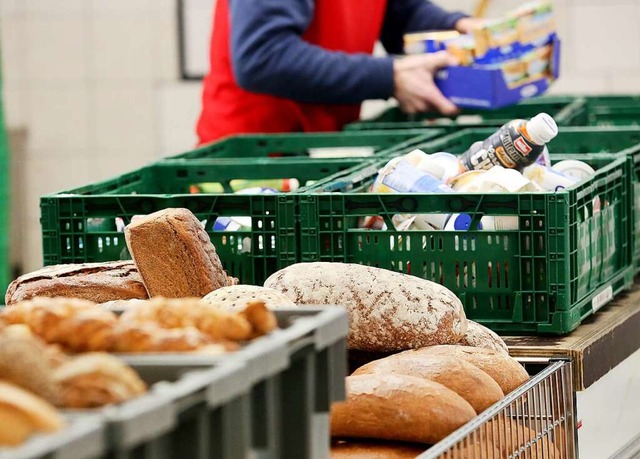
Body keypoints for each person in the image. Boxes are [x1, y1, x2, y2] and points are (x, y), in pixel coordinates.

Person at [197, 0, 480, 145]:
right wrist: (391, 76)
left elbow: (399, 13)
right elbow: (263, 57)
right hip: (251, 161)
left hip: (321, 151)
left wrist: (459, 27)